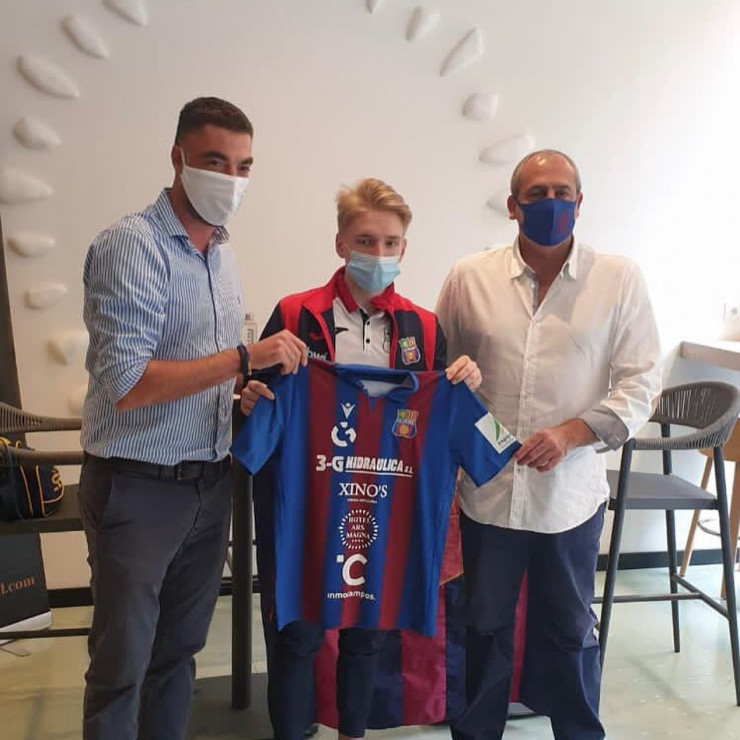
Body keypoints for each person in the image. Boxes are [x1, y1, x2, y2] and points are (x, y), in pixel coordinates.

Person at [78, 96, 307, 740]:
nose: (231, 179)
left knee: (178, 655)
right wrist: (245, 357)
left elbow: (208, 365)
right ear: (177, 158)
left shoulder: (222, 253)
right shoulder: (131, 246)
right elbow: (127, 384)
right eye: (215, 161)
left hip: (209, 481)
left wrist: (243, 388)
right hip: (138, 485)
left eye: (243, 166)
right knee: (122, 663)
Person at [241, 177, 481, 740]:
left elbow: (445, 410)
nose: (378, 254)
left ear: (404, 248)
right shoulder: (296, 312)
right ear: (341, 244)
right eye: (365, 241)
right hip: (304, 500)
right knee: (297, 632)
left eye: (390, 243)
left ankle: (352, 733)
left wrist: (467, 382)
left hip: (382, 500)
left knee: (367, 632)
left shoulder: (425, 328)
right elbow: (258, 403)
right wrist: (250, 397)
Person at [435, 150, 662, 740]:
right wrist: (459, 386)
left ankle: (579, 733)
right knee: (483, 625)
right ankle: (476, 732)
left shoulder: (618, 279)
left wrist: (571, 434)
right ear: (513, 206)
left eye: (563, 192)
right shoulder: (470, 277)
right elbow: (441, 370)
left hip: (570, 495)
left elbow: (641, 381)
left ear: (580, 204)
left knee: (568, 628)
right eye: (536, 194)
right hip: (489, 491)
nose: (551, 203)